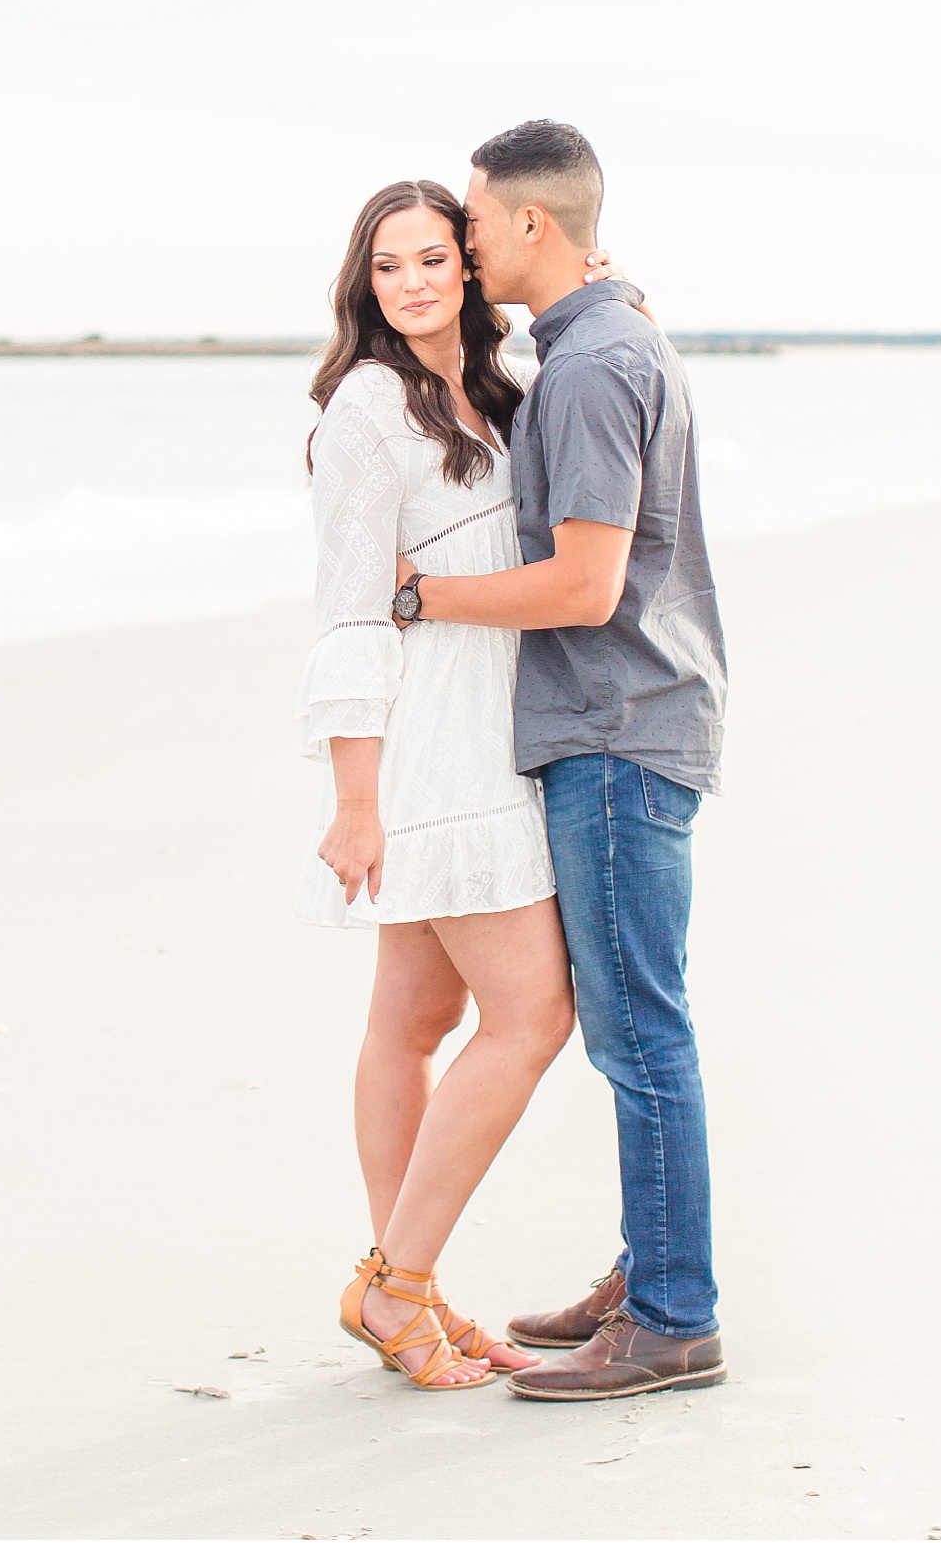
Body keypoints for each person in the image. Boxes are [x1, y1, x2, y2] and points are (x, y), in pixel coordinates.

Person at [396, 119, 728, 1401]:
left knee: (640, 1030)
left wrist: (423, 597)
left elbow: (586, 586)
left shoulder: (592, 369)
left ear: (532, 226)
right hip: (638, 721)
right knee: (641, 1022)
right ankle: (656, 1268)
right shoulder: (605, 337)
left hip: (614, 727)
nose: (465, 246)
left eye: (473, 223)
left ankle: (671, 1315)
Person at [294, 178, 579, 1390]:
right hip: (431, 747)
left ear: (467, 268)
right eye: (387, 266)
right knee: (532, 1017)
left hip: (491, 724)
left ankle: (404, 1282)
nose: (410, 283)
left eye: (430, 260)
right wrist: (355, 797)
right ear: (364, 284)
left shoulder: (498, 385)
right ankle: (397, 1287)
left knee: (413, 1024)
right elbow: (350, 610)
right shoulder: (367, 409)